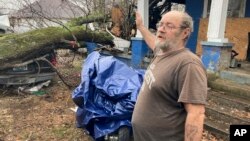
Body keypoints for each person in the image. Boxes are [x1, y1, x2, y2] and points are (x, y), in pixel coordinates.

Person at [131, 10, 207, 141]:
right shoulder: (162, 52)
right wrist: (141, 27)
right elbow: (153, 42)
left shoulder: (188, 64)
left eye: (169, 26)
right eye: (160, 24)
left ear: (185, 33)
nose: (161, 29)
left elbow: (196, 113)